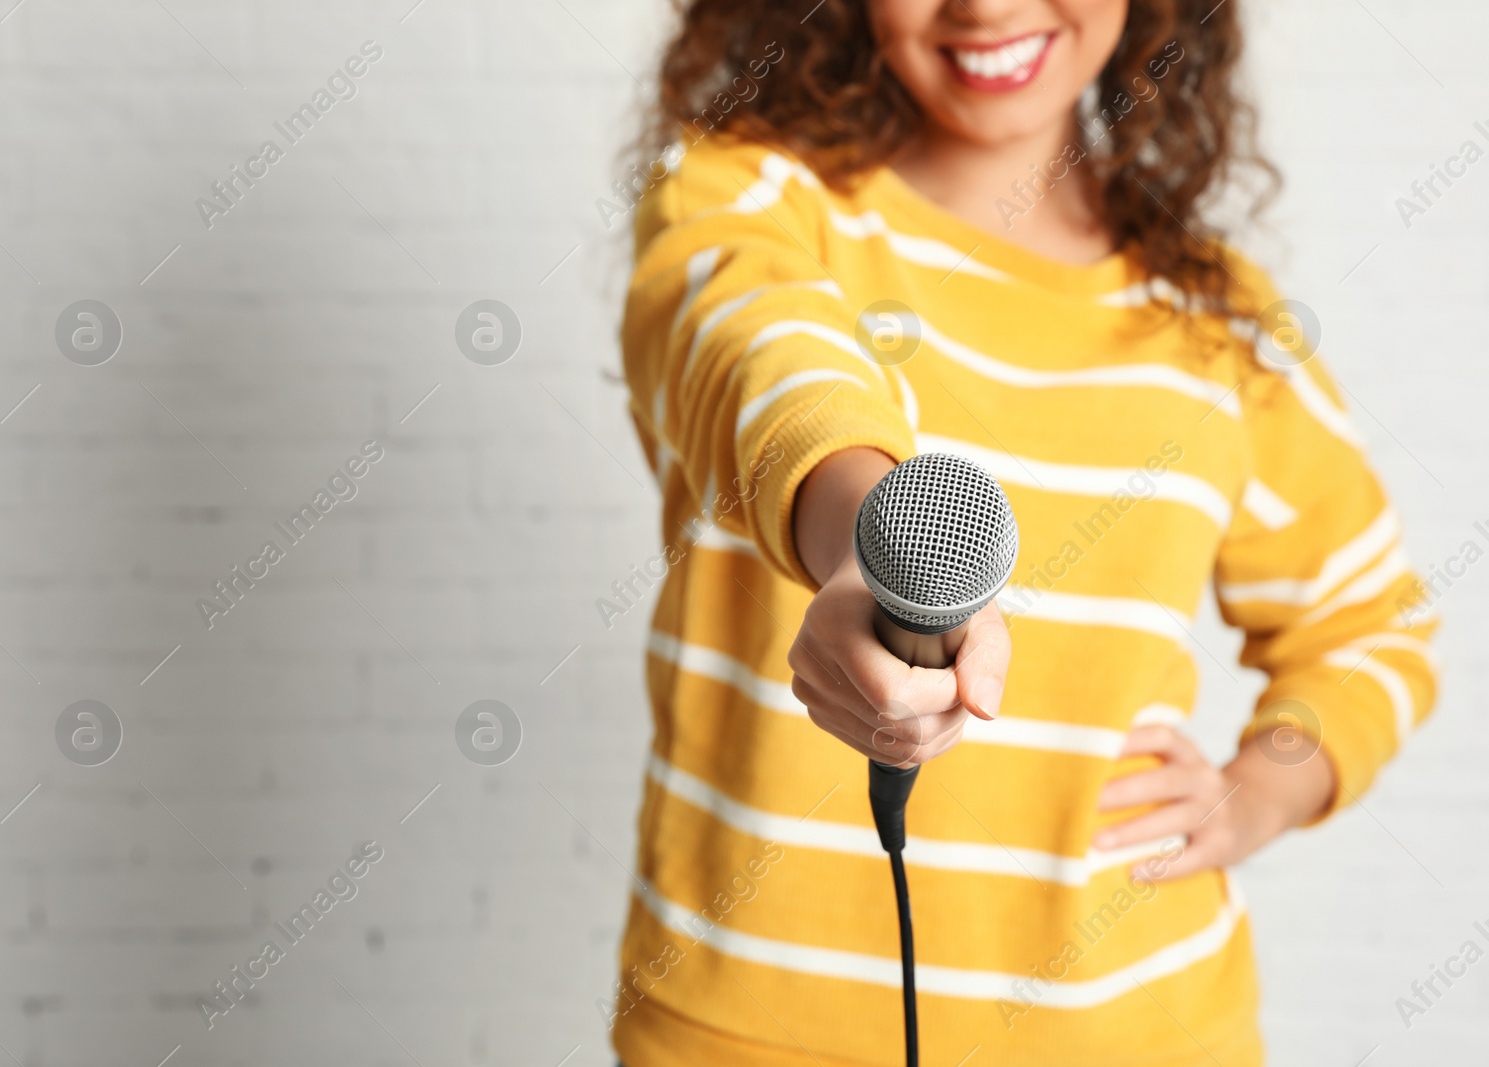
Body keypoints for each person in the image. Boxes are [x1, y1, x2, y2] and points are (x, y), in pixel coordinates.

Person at [610, 1, 1439, 1064]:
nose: (986, 6)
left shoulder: (1220, 323)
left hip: (1141, 1031)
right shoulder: (743, 193)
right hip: (743, 1028)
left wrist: (1260, 790)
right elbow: (766, 368)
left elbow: (1374, 624)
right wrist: (871, 545)